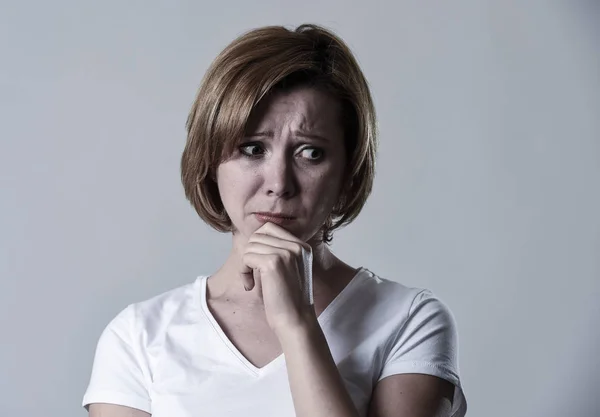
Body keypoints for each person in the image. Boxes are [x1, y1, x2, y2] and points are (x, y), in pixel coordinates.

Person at [82, 23, 468, 417]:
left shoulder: (410, 319)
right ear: (210, 161)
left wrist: (297, 323)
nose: (279, 183)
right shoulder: (138, 337)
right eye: (252, 149)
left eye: (311, 153)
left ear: (348, 172)